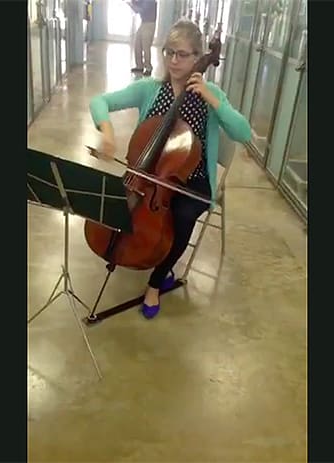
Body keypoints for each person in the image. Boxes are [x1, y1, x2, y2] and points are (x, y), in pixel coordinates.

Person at [89, 19, 252, 319]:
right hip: (148, 174)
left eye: (182, 54)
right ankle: (148, 252)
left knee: (182, 215)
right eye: (168, 52)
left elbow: (243, 133)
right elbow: (99, 102)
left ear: (198, 57)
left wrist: (213, 100)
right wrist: (108, 133)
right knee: (125, 203)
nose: (173, 61)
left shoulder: (209, 93)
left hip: (195, 179)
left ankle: (155, 282)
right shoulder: (150, 88)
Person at [127, 0, 157, 75]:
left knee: (146, 47)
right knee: (137, 45)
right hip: (143, 23)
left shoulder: (150, 1)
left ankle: (148, 68)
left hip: (149, 24)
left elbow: (140, 10)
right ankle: (139, 66)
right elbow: (138, 3)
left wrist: (131, 4)